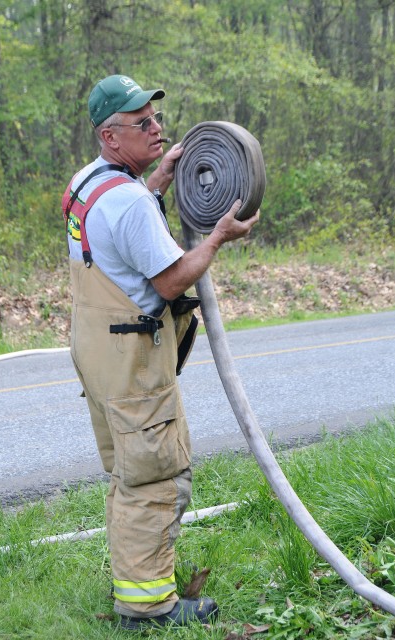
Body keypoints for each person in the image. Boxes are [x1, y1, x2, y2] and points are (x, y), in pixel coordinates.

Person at [62, 73, 259, 630]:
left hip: (97, 352)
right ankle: (149, 608)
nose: (157, 129)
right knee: (156, 477)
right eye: (141, 123)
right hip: (132, 362)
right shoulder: (127, 201)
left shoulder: (88, 185)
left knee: (128, 473)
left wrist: (155, 183)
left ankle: (136, 583)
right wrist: (218, 237)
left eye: (157, 119)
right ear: (109, 136)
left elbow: (116, 238)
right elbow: (172, 281)